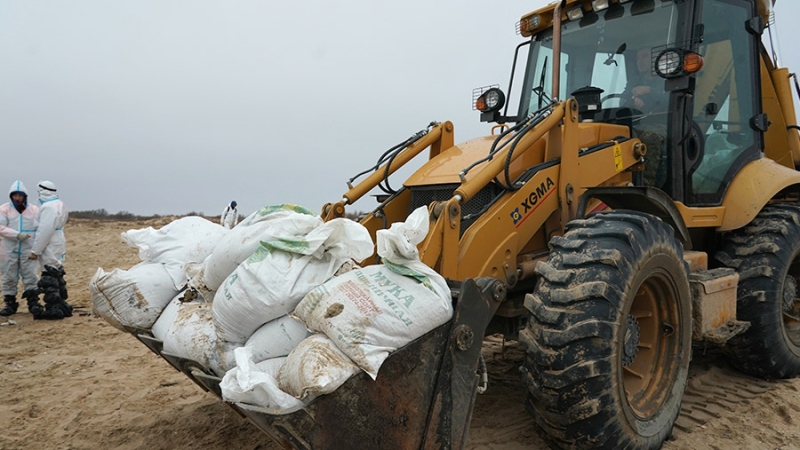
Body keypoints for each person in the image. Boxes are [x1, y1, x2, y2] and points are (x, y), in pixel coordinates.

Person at [623, 47, 669, 188]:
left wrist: (648, 91)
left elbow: (669, 100)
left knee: (649, 138)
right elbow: (623, 101)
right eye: (637, 58)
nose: (639, 61)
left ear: (654, 59)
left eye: (644, 57)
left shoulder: (664, 80)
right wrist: (634, 103)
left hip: (664, 124)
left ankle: (647, 186)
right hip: (639, 124)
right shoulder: (633, 81)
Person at [27, 180, 71, 320]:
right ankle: (60, 305)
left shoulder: (48, 207)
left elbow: (45, 231)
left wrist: (36, 251)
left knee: (49, 274)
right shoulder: (59, 204)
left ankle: (53, 308)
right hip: (58, 239)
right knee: (57, 271)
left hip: (50, 242)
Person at [0, 181, 43, 316]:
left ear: (25, 196)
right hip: (9, 248)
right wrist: (16, 234)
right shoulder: (4, 209)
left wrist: (37, 247)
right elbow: (1, 227)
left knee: (30, 275)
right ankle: (10, 304)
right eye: (15, 196)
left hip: (28, 248)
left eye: (20, 195)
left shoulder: (34, 209)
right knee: (9, 275)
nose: (17, 198)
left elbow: (39, 228)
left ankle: (33, 302)